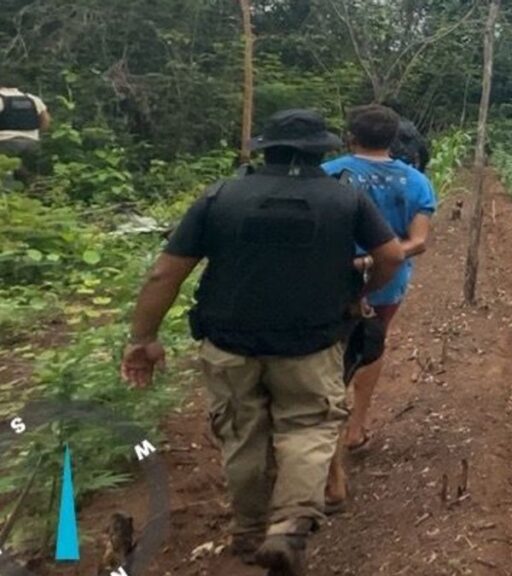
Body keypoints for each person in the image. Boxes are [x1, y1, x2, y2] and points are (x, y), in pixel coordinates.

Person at [120, 109, 405, 576]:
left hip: (229, 341)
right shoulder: (345, 199)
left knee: (241, 432)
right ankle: (290, 525)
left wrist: (143, 339)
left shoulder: (221, 196)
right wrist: (361, 291)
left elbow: (164, 272)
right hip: (312, 342)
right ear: (323, 151)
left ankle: (250, 528)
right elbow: (390, 255)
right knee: (309, 426)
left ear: (264, 148)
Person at [321, 104, 436, 503]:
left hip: (329, 281)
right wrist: (376, 261)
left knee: (326, 354)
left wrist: (355, 262)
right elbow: (418, 242)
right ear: (395, 139)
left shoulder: (328, 173)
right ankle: (356, 425)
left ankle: (322, 435)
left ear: (350, 135)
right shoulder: (416, 181)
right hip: (386, 284)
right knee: (371, 345)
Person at [0, 85, 50, 181]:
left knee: (6, 175)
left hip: (5, 143)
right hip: (32, 143)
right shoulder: (32, 98)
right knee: (30, 176)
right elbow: (46, 121)